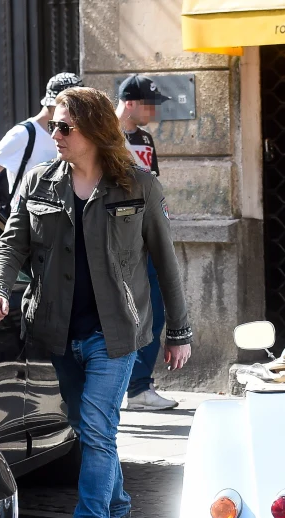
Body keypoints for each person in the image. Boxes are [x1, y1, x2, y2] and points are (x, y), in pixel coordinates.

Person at [0, 86, 193, 518]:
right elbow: (9, 246)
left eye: (64, 127)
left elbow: (166, 261)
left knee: (99, 431)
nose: (53, 134)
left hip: (115, 333)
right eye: (54, 125)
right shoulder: (38, 183)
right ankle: (119, 514)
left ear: (94, 131)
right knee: (87, 428)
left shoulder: (136, 185)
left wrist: (178, 332)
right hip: (56, 331)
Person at [114, 74, 179, 410]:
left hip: (146, 238)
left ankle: (139, 387)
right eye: (150, 104)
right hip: (113, 242)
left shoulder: (145, 139)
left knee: (153, 309)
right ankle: (121, 386)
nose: (154, 111)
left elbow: (153, 186)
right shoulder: (103, 137)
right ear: (131, 103)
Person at [0, 72, 83, 209]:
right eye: (69, 106)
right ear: (53, 104)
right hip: (27, 222)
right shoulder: (23, 135)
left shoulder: (75, 132)